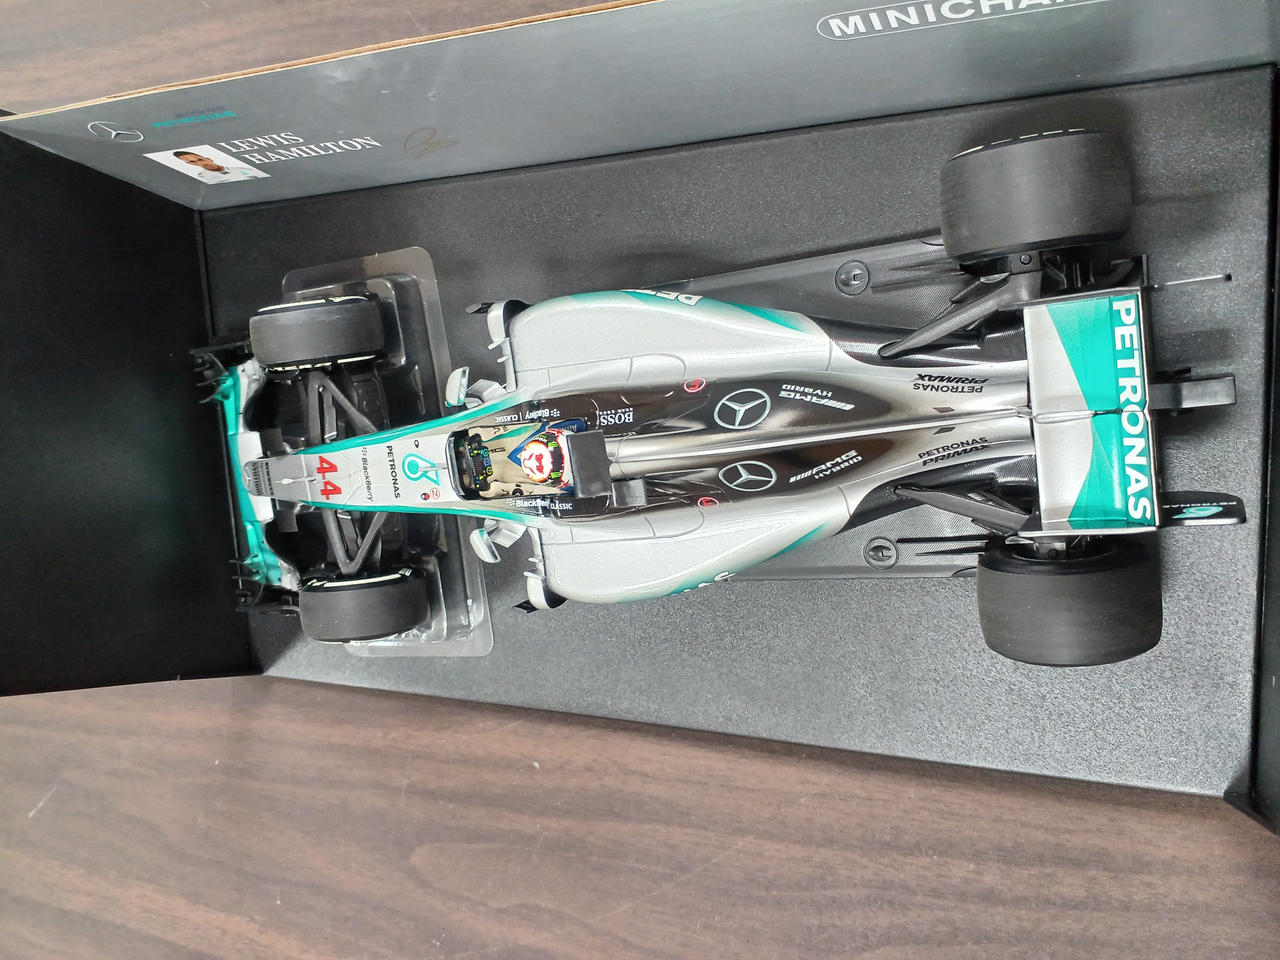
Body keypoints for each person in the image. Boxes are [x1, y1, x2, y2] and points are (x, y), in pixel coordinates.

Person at [172, 150, 268, 183]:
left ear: (208, 159)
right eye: (193, 162)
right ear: (190, 164)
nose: (202, 163)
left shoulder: (244, 169)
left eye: (200, 159)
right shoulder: (203, 179)